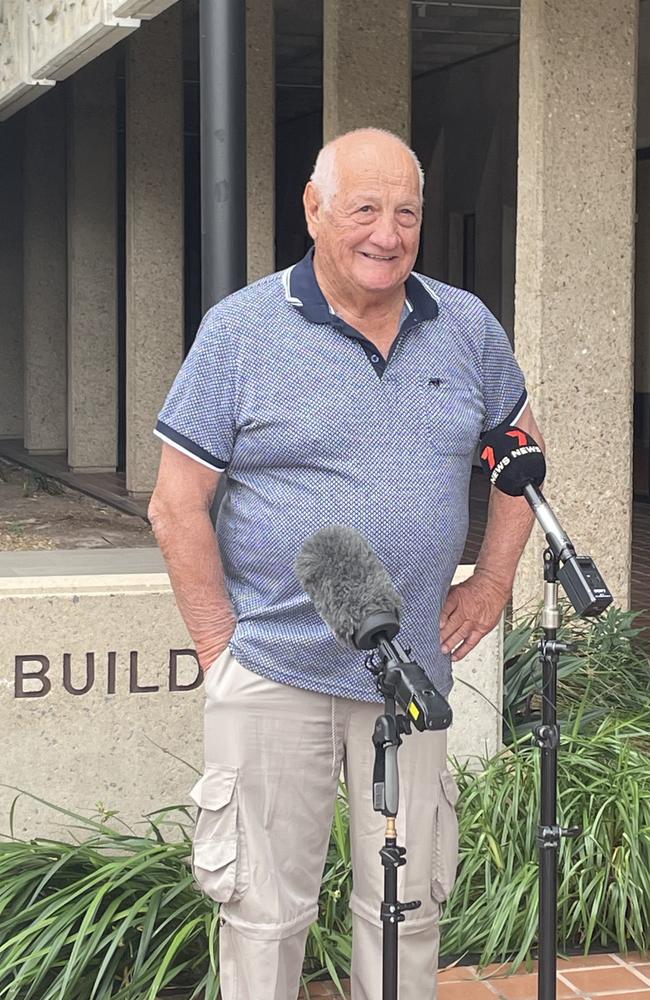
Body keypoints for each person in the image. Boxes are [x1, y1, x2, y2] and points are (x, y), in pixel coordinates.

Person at [149, 127, 542, 1000]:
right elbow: (176, 505)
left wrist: (491, 582)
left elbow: (522, 460)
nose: (387, 233)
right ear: (314, 209)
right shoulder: (242, 331)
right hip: (276, 671)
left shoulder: (466, 327)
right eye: (365, 209)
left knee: (405, 908)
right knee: (262, 911)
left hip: (411, 680)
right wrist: (222, 649)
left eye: (407, 212)